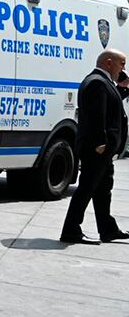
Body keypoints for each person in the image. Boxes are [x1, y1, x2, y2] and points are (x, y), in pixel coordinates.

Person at [60, 49, 129, 244]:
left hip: (103, 150)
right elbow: (96, 115)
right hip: (97, 149)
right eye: (122, 63)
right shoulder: (97, 82)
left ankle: (108, 229)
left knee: (103, 189)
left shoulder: (102, 82)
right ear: (109, 62)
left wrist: (123, 88)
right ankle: (71, 230)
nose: (124, 68)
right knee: (86, 189)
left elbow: (109, 103)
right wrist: (100, 142)